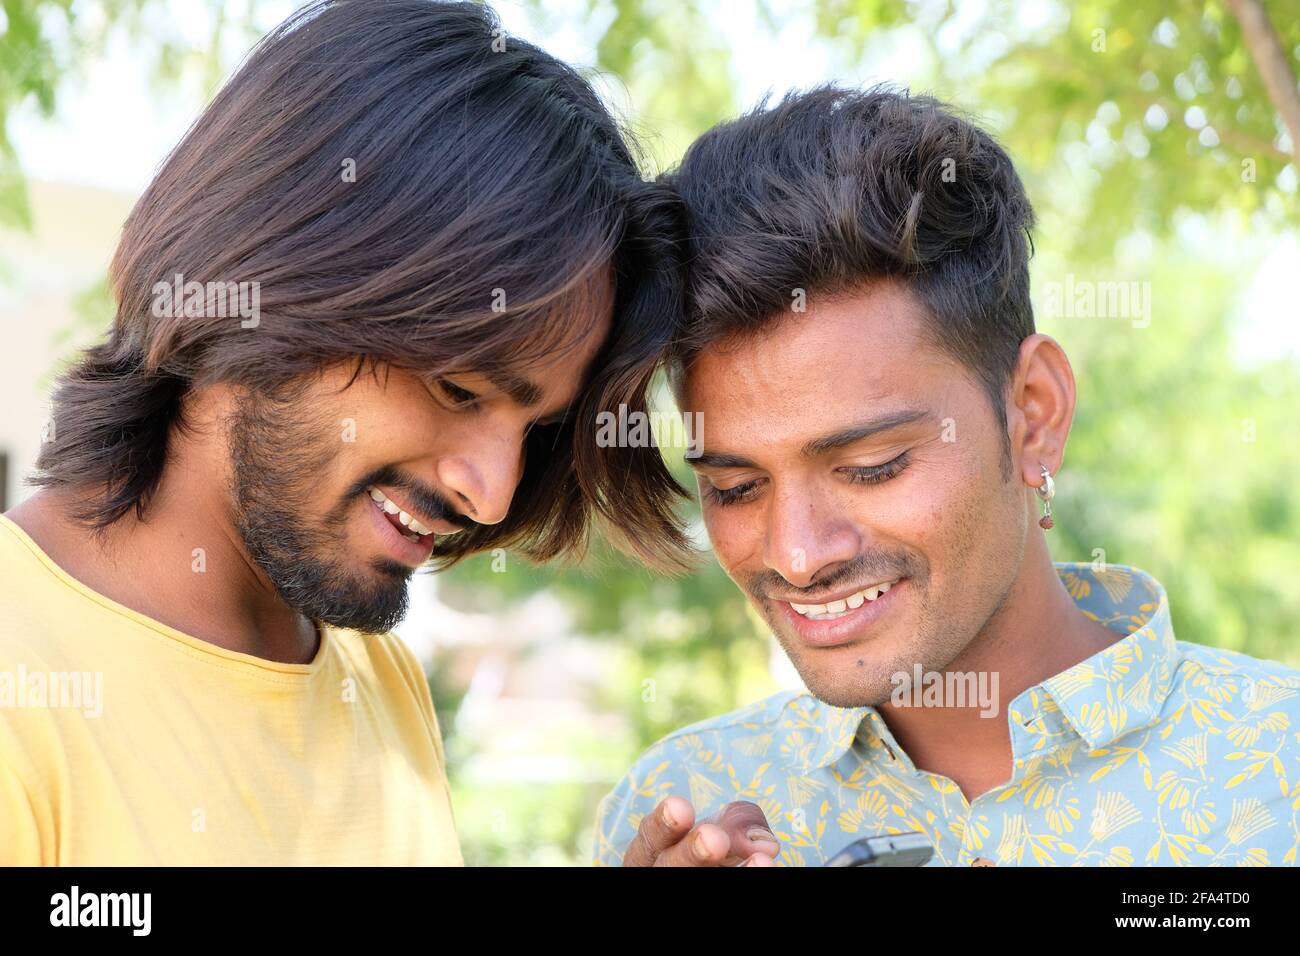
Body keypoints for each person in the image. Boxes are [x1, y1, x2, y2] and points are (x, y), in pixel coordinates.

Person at [0, 0, 694, 865]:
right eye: (458, 386)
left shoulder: (380, 683)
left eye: (539, 428)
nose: (493, 492)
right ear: (272, 271)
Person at [594, 86, 1300, 867]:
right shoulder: (679, 806)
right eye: (735, 488)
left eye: (872, 467)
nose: (798, 555)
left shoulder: (1279, 776)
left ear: (1034, 414)